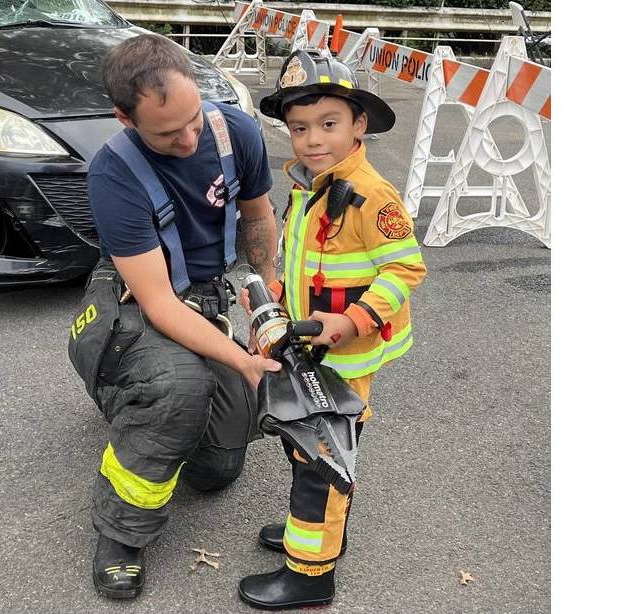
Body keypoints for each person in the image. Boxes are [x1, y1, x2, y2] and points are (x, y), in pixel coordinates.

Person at [66, 33, 282, 601]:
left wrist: (267, 298)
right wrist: (241, 358)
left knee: (216, 470)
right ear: (125, 118)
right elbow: (159, 303)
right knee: (178, 388)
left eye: (192, 121)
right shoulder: (113, 174)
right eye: (167, 133)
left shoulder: (234, 130)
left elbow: (258, 218)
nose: (188, 140)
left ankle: (148, 413)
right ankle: (121, 533)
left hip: (207, 296)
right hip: (134, 299)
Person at [235, 49, 427, 610]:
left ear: (358, 124)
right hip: (312, 349)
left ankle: (310, 573)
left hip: (346, 353)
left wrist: (351, 321)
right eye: (299, 128)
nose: (313, 139)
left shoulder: (371, 195)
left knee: (321, 457)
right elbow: (306, 260)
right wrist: (280, 295)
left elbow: (405, 267)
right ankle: (319, 534)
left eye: (328, 125)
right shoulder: (311, 184)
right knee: (307, 448)